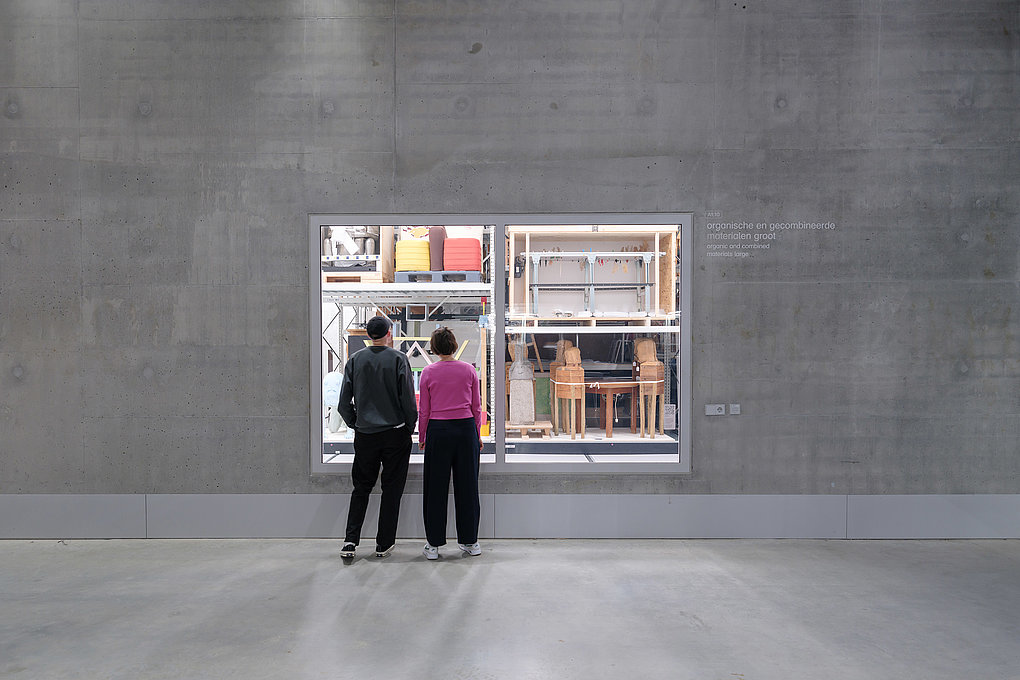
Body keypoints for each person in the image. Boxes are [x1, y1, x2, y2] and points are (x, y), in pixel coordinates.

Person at [337, 316, 417, 559]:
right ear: (389, 333)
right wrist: (408, 426)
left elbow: (343, 403)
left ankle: (350, 541)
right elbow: (408, 401)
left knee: (361, 487)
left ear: (367, 335)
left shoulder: (355, 360)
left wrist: (355, 423)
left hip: (365, 435)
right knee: (391, 489)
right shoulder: (398, 359)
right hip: (395, 434)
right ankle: (383, 544)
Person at [417, 326, 483, 560]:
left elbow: (423, 410)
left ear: (434, 349)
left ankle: (433, 545)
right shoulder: (468, 370)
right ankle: (471, 542)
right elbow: (477, 407)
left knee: (435, 487)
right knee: (467, 486)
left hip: (438, 431)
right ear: (454, 346)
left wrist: (422, 436)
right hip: (465, 430)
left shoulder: (428, 372)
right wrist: (478, 435)